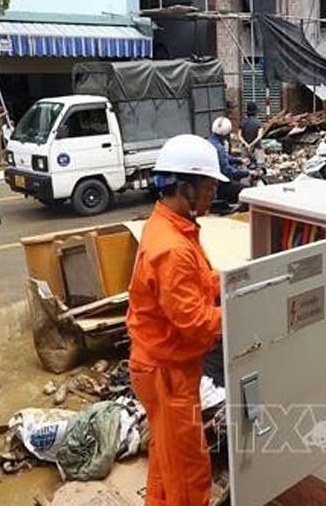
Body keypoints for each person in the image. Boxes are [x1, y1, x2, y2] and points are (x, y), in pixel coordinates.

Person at [126, 134, 227, 506]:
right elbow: (197, 322)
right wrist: (242, 309)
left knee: (166, 463)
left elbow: (197, 283)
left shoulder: (172, 226)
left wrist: (233, 280)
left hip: (162, 365)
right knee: (189, 472)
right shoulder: (173, 247)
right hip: (167, 372)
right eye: (210, 186)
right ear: (185, 187)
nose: (213, 194)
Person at [208, 116, 256, 203]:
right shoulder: (219, 148)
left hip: (211, 182)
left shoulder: (210, 142)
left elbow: (224, 157)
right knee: (249, 192)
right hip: (220, 185)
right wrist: (248, 173)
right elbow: (228, 172)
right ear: (227, 134)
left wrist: (239, 160)